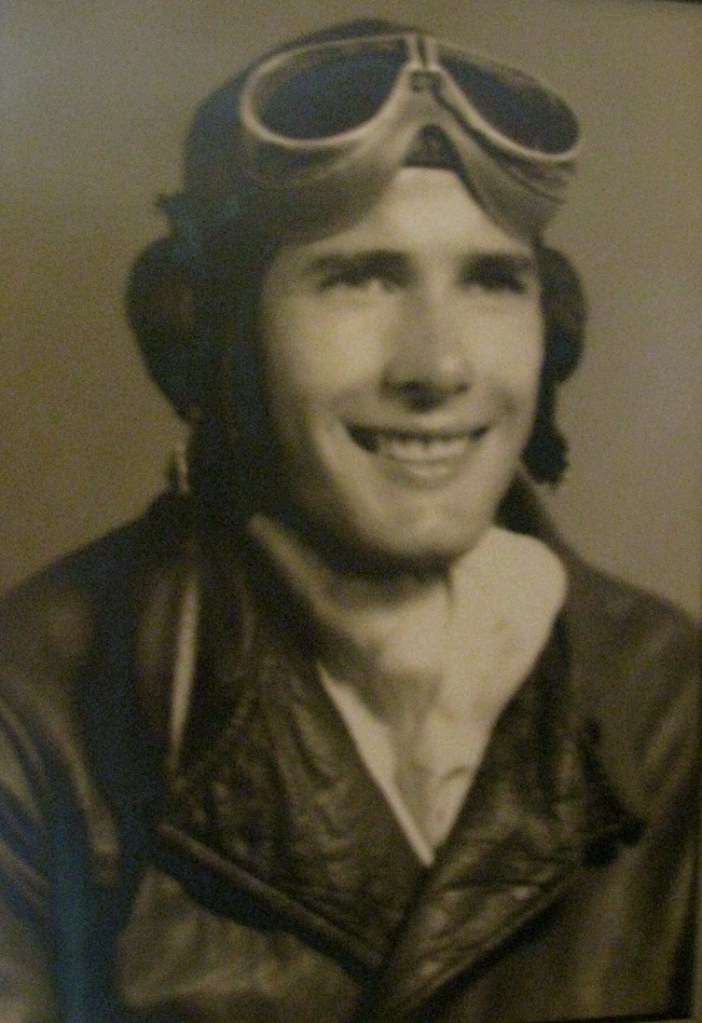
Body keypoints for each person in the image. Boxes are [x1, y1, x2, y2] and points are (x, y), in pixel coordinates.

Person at [0, 19, 697, 1023]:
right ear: (213, 335)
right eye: (360, 277)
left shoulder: (668, 704)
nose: (440, 368)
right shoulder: (33, 717)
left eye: (492, 280)